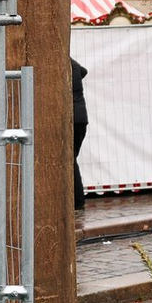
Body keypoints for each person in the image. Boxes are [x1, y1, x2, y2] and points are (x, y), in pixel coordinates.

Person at [71, 57, 89, 211]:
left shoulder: (63, 65)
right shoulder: (74, 64)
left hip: (72, 119)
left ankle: (77, 201)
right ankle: (77, 200)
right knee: (72, 158)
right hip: (81, 119)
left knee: (69, 159)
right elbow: (84, 71)